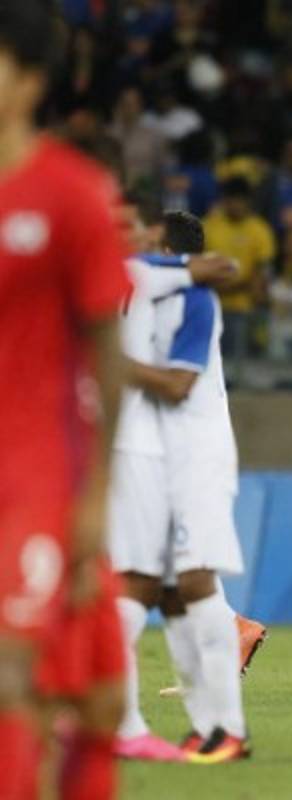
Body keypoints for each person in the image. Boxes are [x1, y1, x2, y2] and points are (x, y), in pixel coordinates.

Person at [0, 4, 135, 797]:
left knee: (27, 675)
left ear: (30, 80)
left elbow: (108, 353)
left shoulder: (70, 194)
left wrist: (96, 493)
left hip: (41, 476)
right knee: (91, 699)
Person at [125, 212, 252, 761]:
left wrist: (110, 362)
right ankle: (206, 728)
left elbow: (177, 385)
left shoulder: (195, 300)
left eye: (146, 237)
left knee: (193, 580)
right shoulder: (136, 300)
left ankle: (230, 730)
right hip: (155, 458)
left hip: (198, 456)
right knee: (171, 592)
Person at [203, 176, 277, 361]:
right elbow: (199, 266)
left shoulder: (260, 230)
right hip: (212, 308)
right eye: (230, 200)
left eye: (239, 200)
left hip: (247, 310)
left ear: (248, 201)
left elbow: (263, 271)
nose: (235, 205)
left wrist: (237, 287)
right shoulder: (209, 227)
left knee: (248, 364)